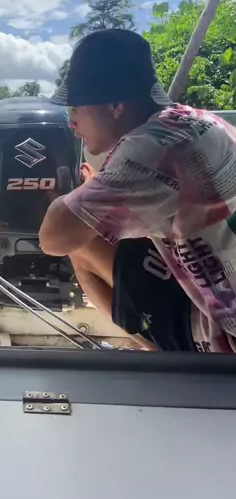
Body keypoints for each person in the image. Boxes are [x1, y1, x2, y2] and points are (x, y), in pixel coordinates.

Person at [39, 28, 236, 354]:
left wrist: (76, 194)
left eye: (76, 108)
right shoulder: (199, 121)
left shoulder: (145, 150)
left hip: (226, 340)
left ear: (115, 105)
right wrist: (99, 189)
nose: (71, 122)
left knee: (83, 245)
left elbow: (54, 239)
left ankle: (164, 361)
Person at [72, 153, 196, 352]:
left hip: (200, 327)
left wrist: (88, 194)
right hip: (201, 328)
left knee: (81, 244)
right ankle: (156, 348)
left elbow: (55, 239)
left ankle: (157, 349)